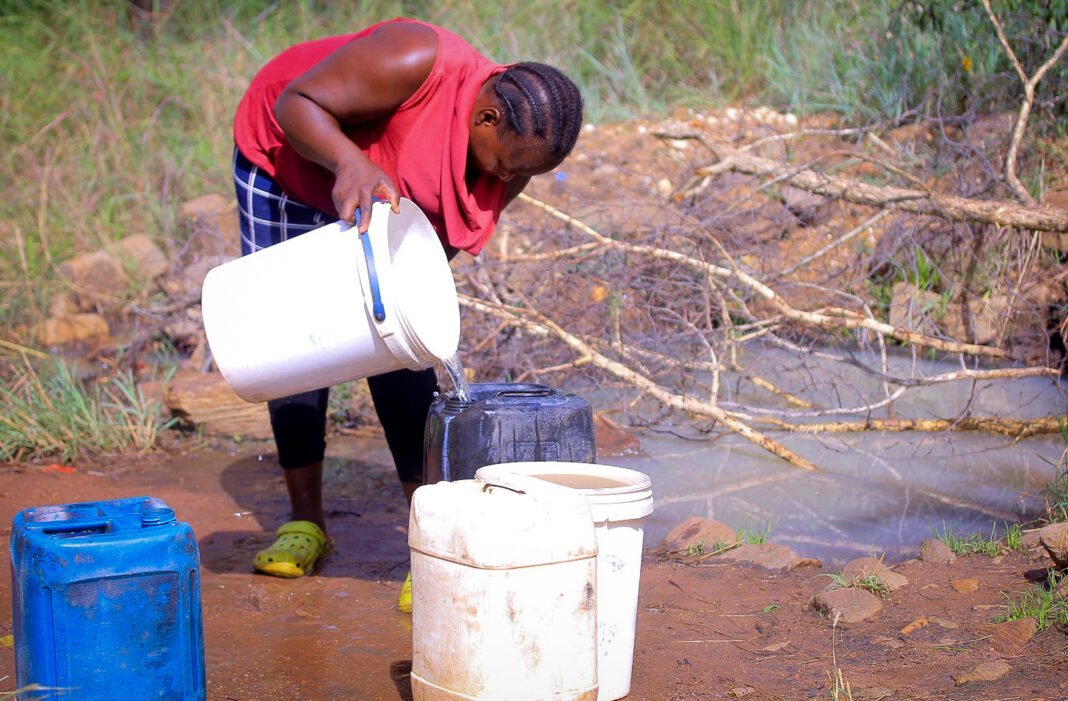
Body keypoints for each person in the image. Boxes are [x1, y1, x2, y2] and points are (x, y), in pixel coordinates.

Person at [230, 17, 584, 609]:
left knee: (401, 346)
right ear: (486, 118)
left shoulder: (509, 158)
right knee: (295, 338)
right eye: (511, 163)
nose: (513, 179)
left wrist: (396, 297)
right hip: (287, 160)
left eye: (527, 172)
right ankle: (305, 522)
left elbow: (411, 290)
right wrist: (349, 161)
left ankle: (428, 543)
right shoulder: (417, 58)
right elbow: (298, 104)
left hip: (367, 185)